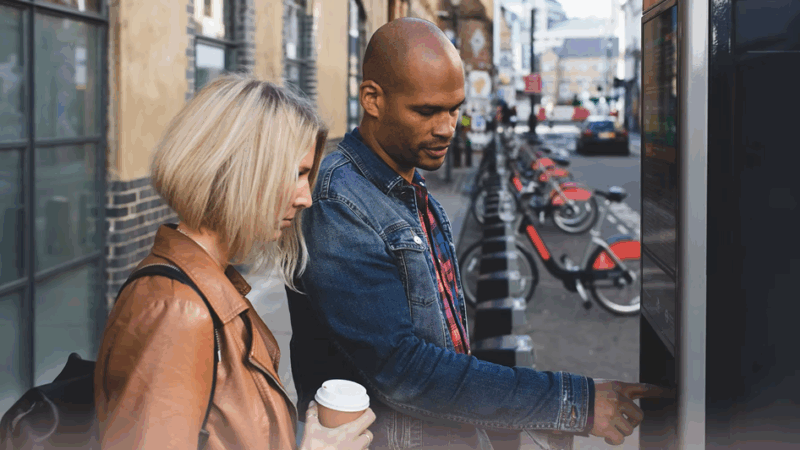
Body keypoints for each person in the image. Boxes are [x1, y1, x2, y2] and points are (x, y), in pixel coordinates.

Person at [285, 18, 670, 450]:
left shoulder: (406, 185)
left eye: (454, 109)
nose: (448, 127)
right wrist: (570, 402)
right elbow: (404, 372)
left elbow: (445, 345)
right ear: (373, 99)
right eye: (427, 111)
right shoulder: (340, 200)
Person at [93, 75, 375, 450]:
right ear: (240, 170)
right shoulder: (179, 312)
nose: (306, 198)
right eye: (296, 174)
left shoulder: (209, 286)